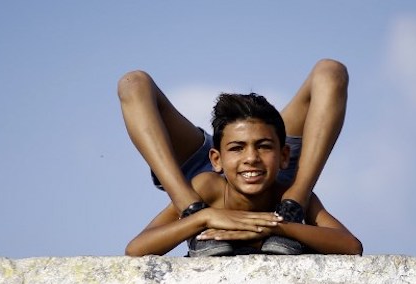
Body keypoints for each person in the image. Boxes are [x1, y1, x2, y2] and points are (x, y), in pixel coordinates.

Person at [118, 59, 362, 256]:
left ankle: (293, 204)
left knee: (331, 70)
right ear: (216, 159)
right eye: (239, 149)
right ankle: (188, 205)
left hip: (281, 179)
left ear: (284, 154)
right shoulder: (205, 185)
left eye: (262, 148)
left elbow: (351, 246)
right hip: (200, 183)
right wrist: (203, 216)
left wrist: (280, 225)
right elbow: (136, 248)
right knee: (133, 82)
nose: (251, 158)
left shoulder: (281, 187)